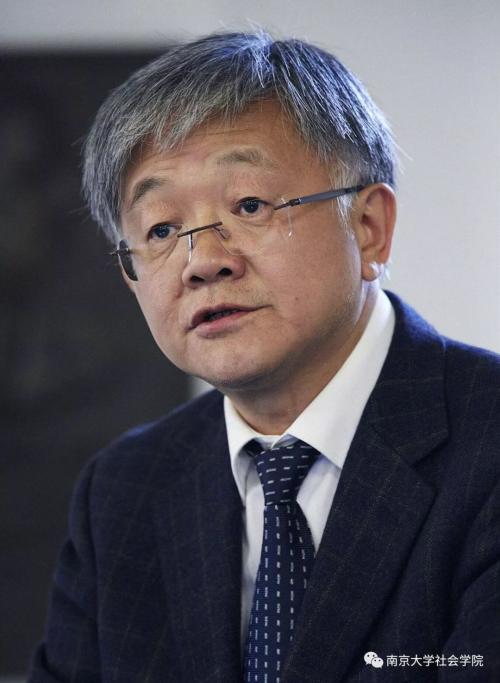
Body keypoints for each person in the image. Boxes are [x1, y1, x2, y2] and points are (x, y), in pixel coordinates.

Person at [29, 31, 500, 682]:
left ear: (369, 227)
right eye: (161, 229)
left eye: (249, 205)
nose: (202, 261)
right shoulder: (121, 490)